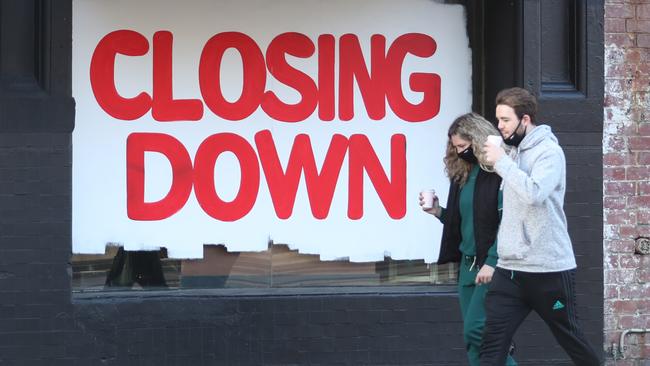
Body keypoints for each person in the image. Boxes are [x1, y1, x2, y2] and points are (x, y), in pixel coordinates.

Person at [480, 87, 601, 365]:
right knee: (491, 343)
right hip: (510, 270)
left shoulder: (549, 152)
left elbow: (535, 193)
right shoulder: (509, 152)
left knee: (571, 338)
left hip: (548, 270)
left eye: (506, 120)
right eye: (498, 120)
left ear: (525, 119)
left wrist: (501, 163)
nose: (500, 126)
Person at [420, 112, 516, 366]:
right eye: (456, 147)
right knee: (473, 341)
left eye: (463, 146)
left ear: (477, 140)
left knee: (477, 331)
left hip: (490, 266)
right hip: (468, 267)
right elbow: (464, 222)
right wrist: (439, 212)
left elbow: (509, 223)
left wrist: (493, 261)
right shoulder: (462, 176)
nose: (460, 151)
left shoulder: (498, 173)